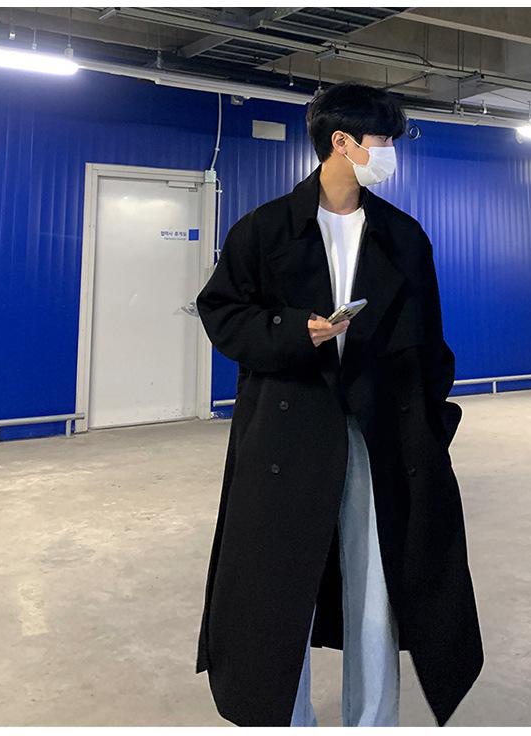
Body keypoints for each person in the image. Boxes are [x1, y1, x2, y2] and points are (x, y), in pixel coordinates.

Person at [195, 81, 484, 727]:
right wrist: (290, 331)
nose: (390, 152)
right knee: (278, 589)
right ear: (342, 142)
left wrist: (433, 423)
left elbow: (429, 340)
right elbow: (223, 314)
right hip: (289, 433)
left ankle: (373, 721)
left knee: (377, 587)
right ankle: (287, 719)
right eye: (382, 139)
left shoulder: (403, 236)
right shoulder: (265, 228)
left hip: (378, 432)